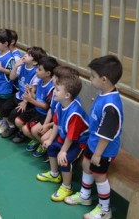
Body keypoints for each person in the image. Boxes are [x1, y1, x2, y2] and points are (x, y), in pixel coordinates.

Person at [64, 55, 124, 219]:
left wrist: (98, 154)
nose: (90, 78)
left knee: (99, 175)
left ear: (104, 79)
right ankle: (85, 196)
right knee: (85, 164)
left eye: (92, 76)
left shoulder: (111, 105)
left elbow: (107, 134)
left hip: (104, 149)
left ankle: (105, 209)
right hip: (93, 143)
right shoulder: (103, 93)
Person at [36, 67, 89, 202]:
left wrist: (63, 151)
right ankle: (54, 175)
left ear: (67, 95)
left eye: (57, 90)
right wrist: (51, 140)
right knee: (52, 146)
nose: (54, 92)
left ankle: (67, 186)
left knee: (64, 161)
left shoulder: (75, 113)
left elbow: (72, 137)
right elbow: (57, 124)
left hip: (79, 141)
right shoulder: (60, 104)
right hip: (67, 136)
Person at [0, 46, 47, 138]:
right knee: (4, 108)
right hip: (18, 95)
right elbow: (12, 77)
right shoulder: (22, 66)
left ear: (35, 62)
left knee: (13, 115)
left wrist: (25, 102)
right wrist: (16, 66)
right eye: (26, 53)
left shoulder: (35, 73)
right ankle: (8, 124)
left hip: (27, 101)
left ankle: (13, 128)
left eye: (29, 55)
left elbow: (32, 91)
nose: (25, 55)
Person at [13, 56, 58, 148]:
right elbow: (37, 97)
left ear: (48, 73)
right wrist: (30, 93)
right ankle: (36, 141)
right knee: (18, 121)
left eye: (39, 69)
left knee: (31, 130)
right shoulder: (40, 80)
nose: (36, 71)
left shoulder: (52, 88)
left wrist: (30, 100)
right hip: (36, 110)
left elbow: (45, 106)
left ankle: (42, 145)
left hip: (44, 114)